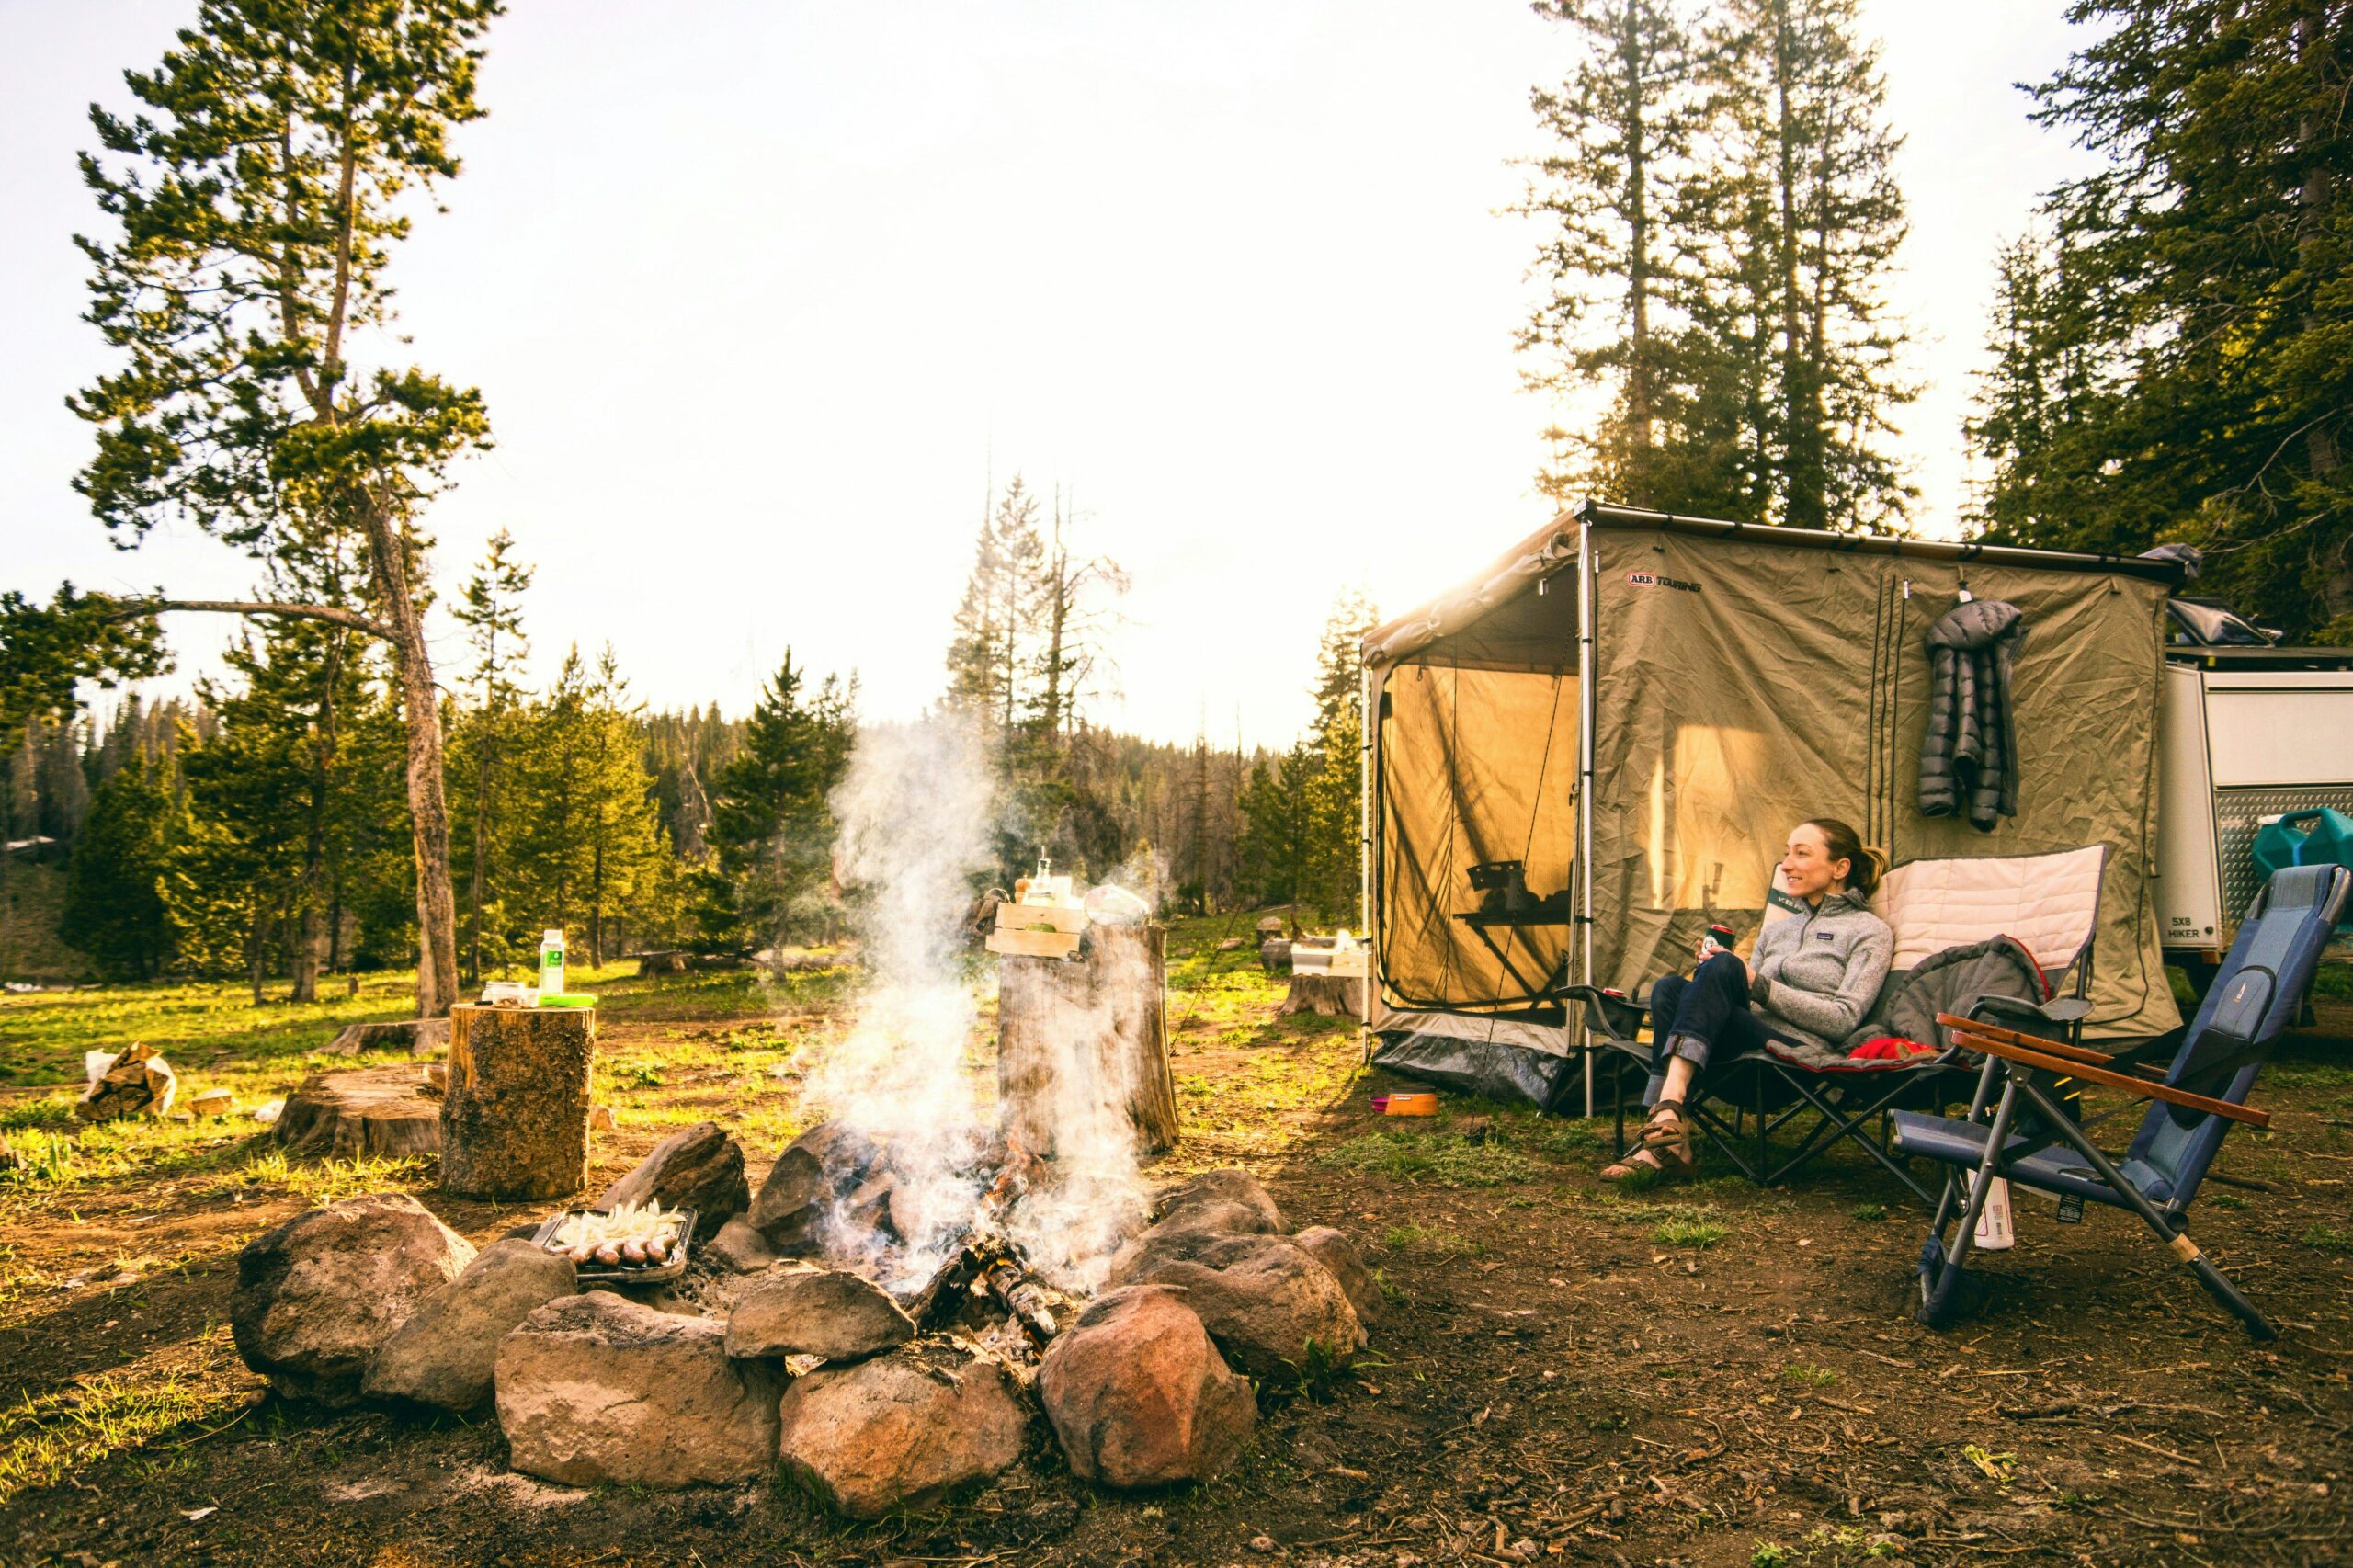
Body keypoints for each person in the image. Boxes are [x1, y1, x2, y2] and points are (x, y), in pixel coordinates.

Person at [1601, 819, 1893, 1181]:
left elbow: (1843, 1019)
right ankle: (1671, 1129)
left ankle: (1666, 1115)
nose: (1786, 864)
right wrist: (1713, 979)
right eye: (1787, 853)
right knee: (1670, 988)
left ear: (1840, 867)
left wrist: (1757, 983)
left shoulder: (1870, 932)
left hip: (1794, 1061)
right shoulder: (1777, 931)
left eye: (1801, 854)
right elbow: (1745, 1001)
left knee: (1723, 967)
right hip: (1738, 1057)